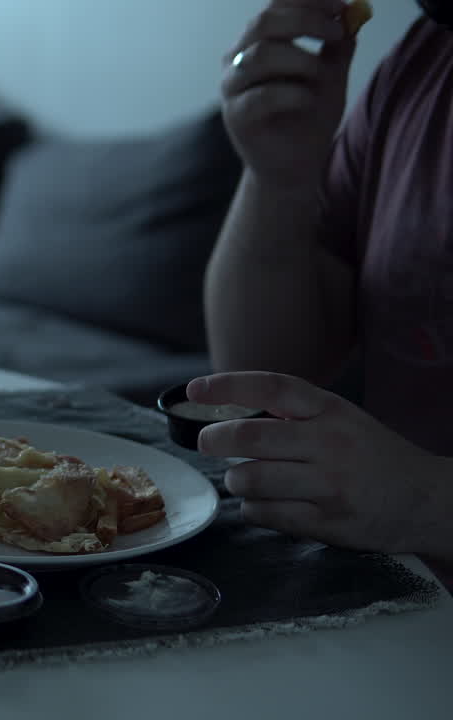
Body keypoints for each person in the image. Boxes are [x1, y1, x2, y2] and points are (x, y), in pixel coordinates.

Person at [195, 0, 453, 585]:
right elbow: (264, 381)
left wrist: (425, 501)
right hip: (394, 600)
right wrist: (277, 179)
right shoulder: (424, 57)